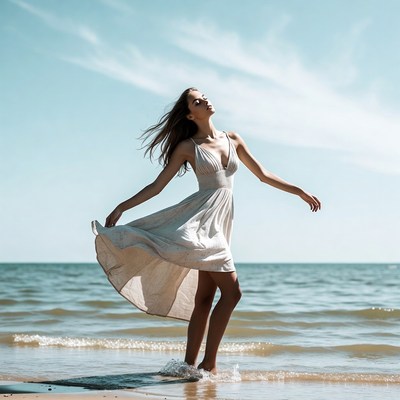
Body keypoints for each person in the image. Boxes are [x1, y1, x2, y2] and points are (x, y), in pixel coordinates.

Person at [92, 87, 321, 375]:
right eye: (196, 101)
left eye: (203, 96)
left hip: (221, 224)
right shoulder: (188, 147)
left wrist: (299, 191)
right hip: (199, 224)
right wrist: (122, 206)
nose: (204, 100)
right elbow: (157, 186)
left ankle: (188, 366)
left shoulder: (233, 139)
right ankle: (209, 363)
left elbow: (263, 175)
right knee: (233, 293)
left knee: (204, 298)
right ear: (190, 114)